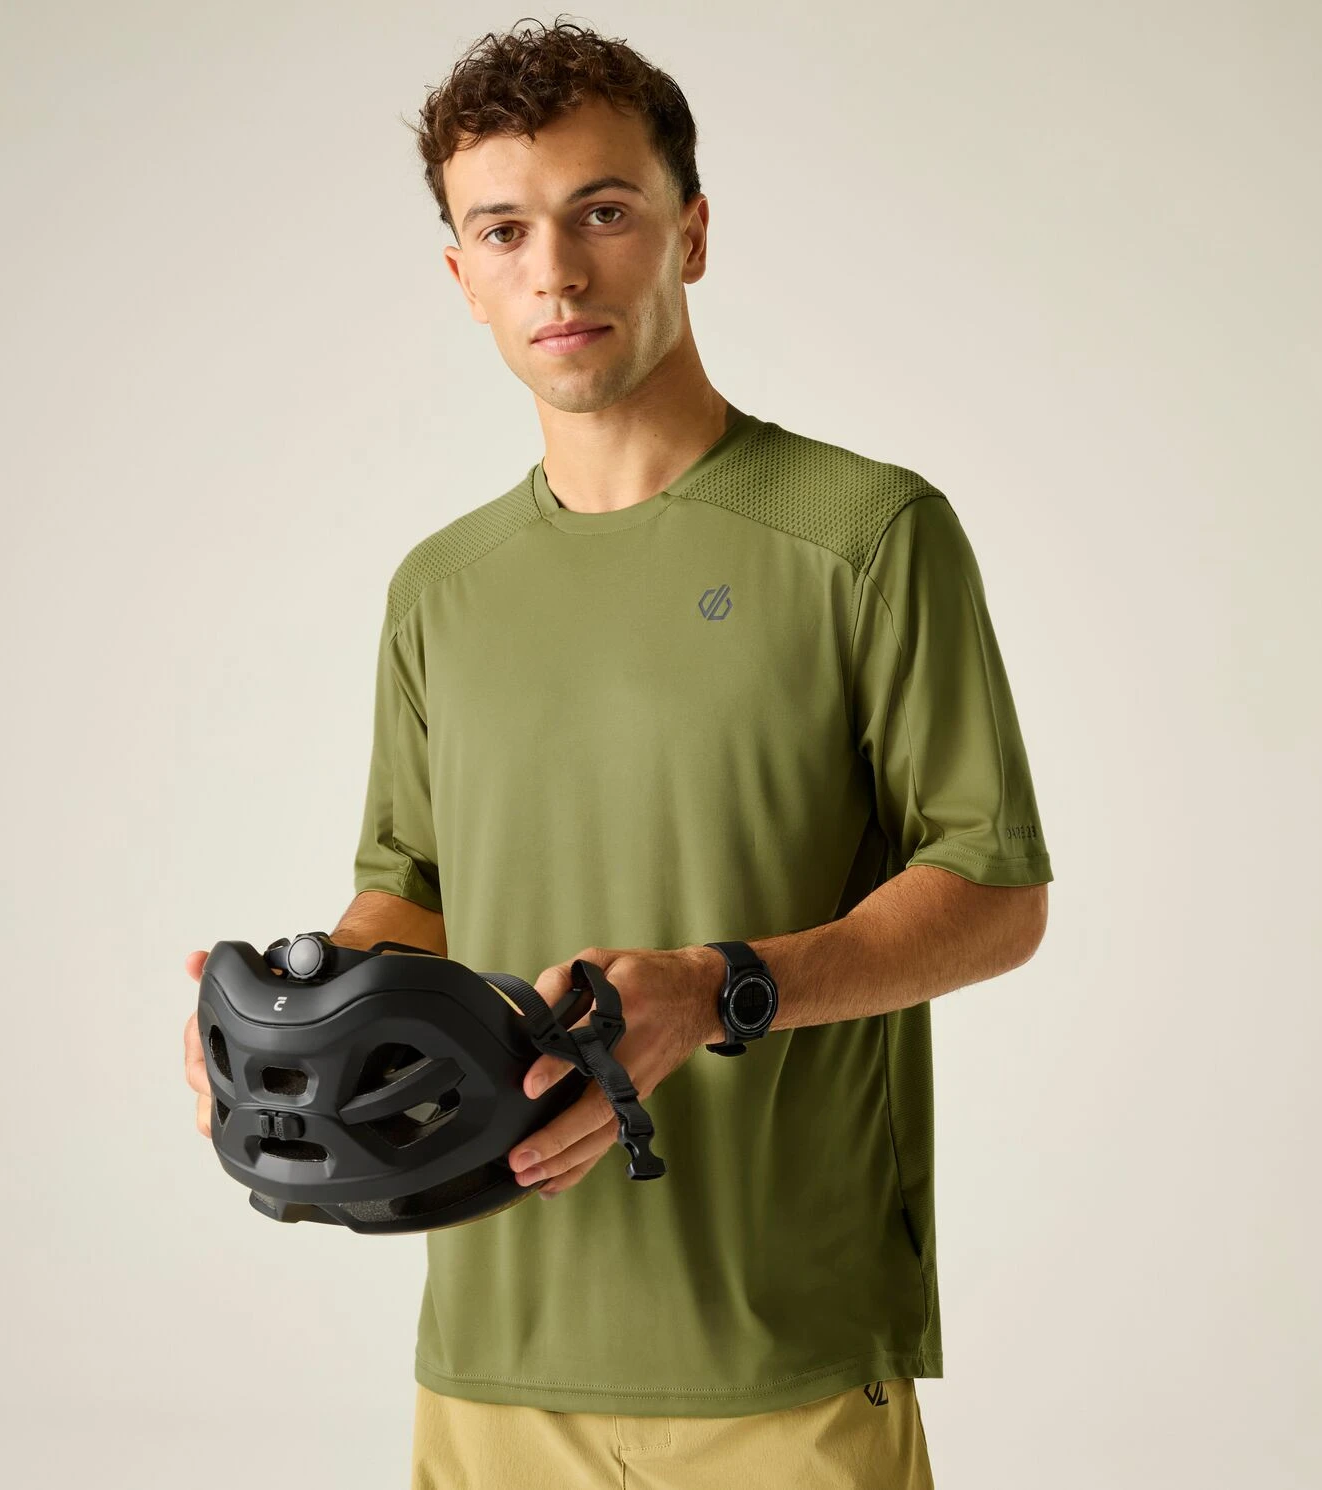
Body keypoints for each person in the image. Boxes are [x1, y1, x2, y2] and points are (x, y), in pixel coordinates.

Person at [183, 17, 1053, 1488]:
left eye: (601, 212)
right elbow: (410, 890)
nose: (557, 273)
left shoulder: (867, 535)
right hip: (492, 1350)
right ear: (462, 277)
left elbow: (994, 891)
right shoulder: (440, 588)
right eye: (503, 231)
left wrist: (717, 989)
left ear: (689, 233)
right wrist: (286, 1025)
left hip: (778, 1350)